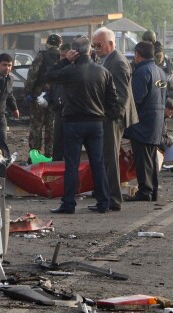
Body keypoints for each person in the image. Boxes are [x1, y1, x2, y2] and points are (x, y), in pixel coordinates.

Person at [44, 36, 119, 214]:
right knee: (98, 163)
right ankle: (103, 202)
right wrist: (106, 117)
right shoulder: (103, 72)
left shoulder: (69, 71)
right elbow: (113, 101)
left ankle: (69, 203)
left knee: (71, 164)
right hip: (96, 123)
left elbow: (48, 75)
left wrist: (64, 61)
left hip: (73, 122)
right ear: (90, 51)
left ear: (74, 52)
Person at [93, 27, 138, 212]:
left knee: (110, 160)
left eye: (99, 45)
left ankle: (113, 199)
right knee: (105, 159)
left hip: (113, 118)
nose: (96, 49)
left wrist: (112, 117)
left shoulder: (117, 62)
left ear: (111, 44)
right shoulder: (107, 59)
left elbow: (122, 95)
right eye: (94, 45)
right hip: (109, 116)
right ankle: (106, 197)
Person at [123, 41, 168, 202]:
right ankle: (153, 190)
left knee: (142, 159)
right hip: (156, 121)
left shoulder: (142, 72)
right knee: (152, 158)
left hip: (142, 121)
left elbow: (136, 99)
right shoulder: (160, 72)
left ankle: (144, 191)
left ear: (137, 55)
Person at [24, 33, 62, 158]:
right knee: (51, 127)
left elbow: (32, 74)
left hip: (38, 95)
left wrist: (28, 92)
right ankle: (50, 155)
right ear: (59, 44)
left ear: (48, 44)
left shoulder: (42, 55)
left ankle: (34, 155)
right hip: (55, 96)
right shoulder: (62, 57)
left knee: (37, 126)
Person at [49, 43, 70, 162]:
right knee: (57, 144)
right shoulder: (57, 69)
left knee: (69, 146)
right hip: (58, 111)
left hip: (71, 114)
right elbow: (53, 87)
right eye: (61, 56)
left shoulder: (74, 70)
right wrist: (47, 97)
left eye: (66, 56)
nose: (63, 58)